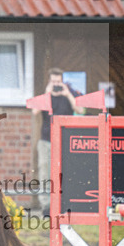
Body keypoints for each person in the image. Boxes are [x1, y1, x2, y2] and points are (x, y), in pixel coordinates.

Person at [37, 68, 83, 217]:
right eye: (53, 81)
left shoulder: (70, 92)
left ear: (62, 81)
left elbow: (80, 109)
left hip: (64, 140)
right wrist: (47, 93)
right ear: (49, 81)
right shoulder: (46, 95)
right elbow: (35, 111)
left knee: (65, 172)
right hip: (46, 140)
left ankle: (64, 204)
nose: (56, 84)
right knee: (45, 173)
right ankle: (46, 208)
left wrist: (67, 94)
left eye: (58, 81)